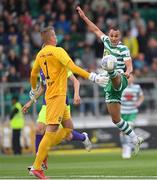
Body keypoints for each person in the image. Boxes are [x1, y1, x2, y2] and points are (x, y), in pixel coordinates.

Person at [29, 26, 109, 179]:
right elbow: (72, 67)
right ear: (52, 37)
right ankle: (37, 166)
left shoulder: (40, 54)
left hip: (59, 98)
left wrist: (33, 89)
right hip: (56, 96)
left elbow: (33, 74)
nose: (56, 37)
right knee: (50, 131)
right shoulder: (58, 51)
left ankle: (44, 152)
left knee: (69, 130)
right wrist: (93, 77)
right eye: (55, 34)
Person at [76, 6, 144, 155]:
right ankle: (135, 138)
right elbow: (95, 29)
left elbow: (129, 65)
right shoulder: (106, 41)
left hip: (120, 79)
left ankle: (107, 72)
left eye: (116, 36)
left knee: (110, 74)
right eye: (112, 35)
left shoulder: (124, 49)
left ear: (120, 37)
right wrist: (84, 17)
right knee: (116, 120)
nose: (113, 38)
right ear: (109, 35)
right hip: (109, 83)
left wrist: (128, 72)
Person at [22, 69, 92, 170]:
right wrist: (30, 102)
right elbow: (43, 87)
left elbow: (76, 81)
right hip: (47, 104)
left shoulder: (60, 64)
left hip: (61, 104)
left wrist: (76, 94)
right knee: (39, 129)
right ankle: (39, 162)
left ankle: (83, 137)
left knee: (67, 136)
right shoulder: (43, 67)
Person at [120, 74, 144, 159]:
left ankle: (128, 149)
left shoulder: (137, 87)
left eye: (132, 77)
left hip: (132, 112)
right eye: (129, 78)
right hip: (122, 112)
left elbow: (141, 96)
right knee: (122, 132)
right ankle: (125, 147)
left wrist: (139, 102)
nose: (131, 79)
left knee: (129, 128)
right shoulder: (121, 86)